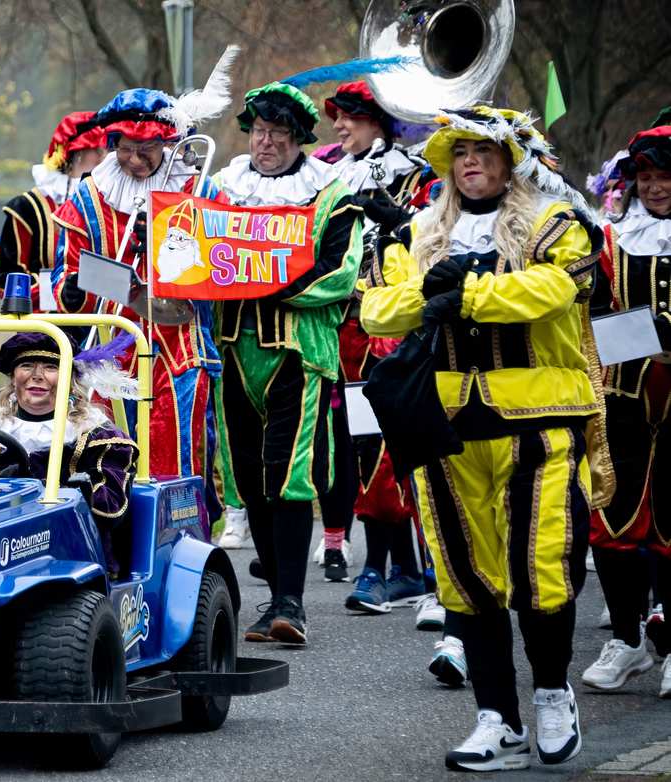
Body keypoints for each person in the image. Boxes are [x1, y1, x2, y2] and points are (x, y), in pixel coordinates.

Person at [360, 105, 602, 771]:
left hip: (537, 419)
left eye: (485, 153)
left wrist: (465, 293)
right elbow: (378, 305)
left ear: (510, 161)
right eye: (461, 154)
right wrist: (428, 297)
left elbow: (556, 289)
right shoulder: (416, 231)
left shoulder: (557, 223)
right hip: (442, 425)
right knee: (467, 575)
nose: (472, 164)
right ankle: (498, 719)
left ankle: (553, 692)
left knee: (541, 565)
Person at [210, 80, 364, 646]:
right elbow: (197, 253)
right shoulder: (224, 190)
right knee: (249, 479)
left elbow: (339, 273)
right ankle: (272, 597)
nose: (265, 142)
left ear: (299, 139)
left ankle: (291, 603)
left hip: (299, 354)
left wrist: (267, 284)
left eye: (278, 133)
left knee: (289, 475)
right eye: (258, 131)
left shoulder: (331, 196)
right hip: (234, 349)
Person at [51, 87, 228, 489]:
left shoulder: (199, 188)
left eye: (147, 149)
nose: (135, 159)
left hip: (180, 344)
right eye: (126, 148)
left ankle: (184, 540)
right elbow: (66, 280)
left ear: (167, 143)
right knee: (107, 460)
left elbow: (222, 267)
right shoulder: (89, 196)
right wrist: (77, 290)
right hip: (109, 348)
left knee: (179, 451)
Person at [319, 81, 430, 600]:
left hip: (397, 328)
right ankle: (393, 568)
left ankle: (397, 569)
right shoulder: (336, 177)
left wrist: (401, 222)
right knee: (361, 447)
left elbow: (434, 242)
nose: (339, 127)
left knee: (391, 448)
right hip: (349, 331)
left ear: (377, 121)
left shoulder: (414, 175)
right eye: (337, 118)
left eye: (349, 118)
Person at [583, 123, 671, 698]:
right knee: (611, 518)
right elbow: (591, 312)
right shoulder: (614, 239)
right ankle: (626, 638)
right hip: (623, 395)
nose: (656, 187)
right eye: (646, 176)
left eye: (666, 176)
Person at [0, 333, 138, 567]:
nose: (36, 376)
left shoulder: (98, 436)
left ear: (69, 378)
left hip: (68, 555)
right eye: (26, 366)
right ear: (13, 376)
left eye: (50, 367)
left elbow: (110, 511)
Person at [0, 111, 105, 302]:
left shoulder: (109, 202)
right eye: (99, 149)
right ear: (78, 153)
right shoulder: (26, 208)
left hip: (103, 321)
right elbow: (6, 283)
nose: (105, 157)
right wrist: (61, 292)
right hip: (44, 323)